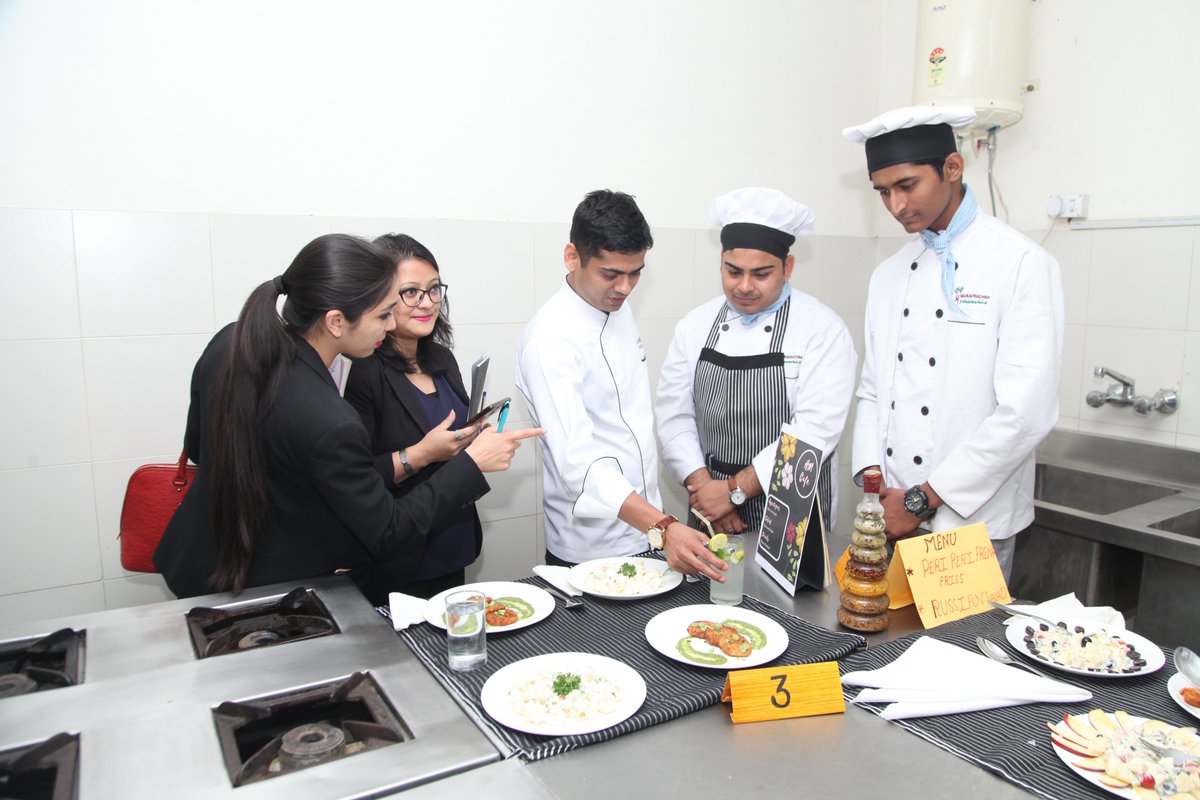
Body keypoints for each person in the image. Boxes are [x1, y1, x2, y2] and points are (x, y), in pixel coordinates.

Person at [154, 233, 542, 604]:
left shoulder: (232, 341)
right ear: (337, 321)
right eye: (383, 314)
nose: (390, 325)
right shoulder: (330, 419)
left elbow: (200, 448)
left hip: (197, 566)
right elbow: (388, 530)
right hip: (266, 589)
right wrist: (472, 464)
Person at [842, 106, 1064, 579]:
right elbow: (874, 389)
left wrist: (924, 498)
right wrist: (873, 484)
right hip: (889, 514)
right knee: (882, 646)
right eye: (883, 192)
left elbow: (1026, 412)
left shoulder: (1021, 263)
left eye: (907, 186)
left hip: (969, 523)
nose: (896, 206)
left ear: (952, 168)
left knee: (957, 650)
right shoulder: (888, 275)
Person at [515, 189, 721, 580]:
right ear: (572, 257)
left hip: (648, 532)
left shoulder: (613, 308)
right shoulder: (550, 340)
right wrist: (662, 525)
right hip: (591, 549)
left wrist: (658, 527)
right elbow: (579, 462)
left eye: (635, 273)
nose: (625, 288)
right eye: (611, 273)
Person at [657, 187, 857, 537]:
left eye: (761, 274)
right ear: (720, 260)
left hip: (791, 509)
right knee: (705, 591)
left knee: (789, 595)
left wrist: (734, 491)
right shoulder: (694, 325)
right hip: (710, 510)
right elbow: (674, 416)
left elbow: (815, 431)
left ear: (788, 266)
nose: (745, 286)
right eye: (733, 271)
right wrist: (706, 493)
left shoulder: (821, 329)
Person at [343, 233, 486, 598]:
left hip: (453, 540)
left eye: (434, 289)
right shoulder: (364, 370)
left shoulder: (441, 359)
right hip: (399, 556)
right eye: (410, 292)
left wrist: (476, 434)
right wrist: (423, 453)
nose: (426, 302)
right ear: (382, 297)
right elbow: (355, 478)